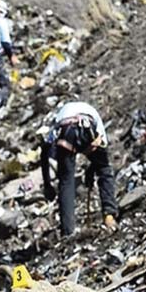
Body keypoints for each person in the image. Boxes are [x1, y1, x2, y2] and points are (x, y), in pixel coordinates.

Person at [40, 101, 118, 235]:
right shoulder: (98, 126)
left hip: (65, 132)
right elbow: (101, 159)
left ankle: (68, 231)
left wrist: (47, 184)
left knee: (66, 181)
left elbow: (44, 152)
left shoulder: (58, 121)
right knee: (104, 171)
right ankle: (109, 216)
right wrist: (94, 168)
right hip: (88, 127)